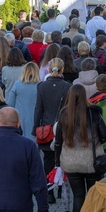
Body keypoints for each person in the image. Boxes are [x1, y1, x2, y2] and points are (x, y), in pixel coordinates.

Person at [53, 84, 106, 212]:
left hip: (70, 161)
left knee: (78, 195)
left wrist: (57, 163)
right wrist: (96, 141)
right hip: (91, 161)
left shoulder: (63, 114)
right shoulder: (94, 113)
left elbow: (58, 141)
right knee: (92, 194)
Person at [33, 58, 72, 194]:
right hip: (63, 127)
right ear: (62, 69)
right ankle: (61, 188)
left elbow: (39, 109)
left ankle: (49, 192)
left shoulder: (41, 86)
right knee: (62, 158)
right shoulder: (68, 86)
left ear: (49, 70)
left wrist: (35, 128)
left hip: (46, 128)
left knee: (48, 159)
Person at [6, 62, 40, 141]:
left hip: (20, 120)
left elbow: (10, 104)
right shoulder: (40, 86)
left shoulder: (17, 85)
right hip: (36, 121)